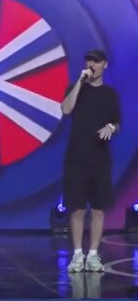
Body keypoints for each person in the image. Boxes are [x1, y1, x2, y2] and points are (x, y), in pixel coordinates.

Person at [61, 49, 121, 273]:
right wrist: (79, 82)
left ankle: (93, 255)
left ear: (105, 64)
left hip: (100, 159)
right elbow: (66, 109)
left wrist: (111, 127)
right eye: (88, 61)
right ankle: (77, 255)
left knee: (97, 209)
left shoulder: (110, 94)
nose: (91, 64)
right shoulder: (76, 88)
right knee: (76, 209)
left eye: (96, 61)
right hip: (76, 158)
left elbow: (117, 122)